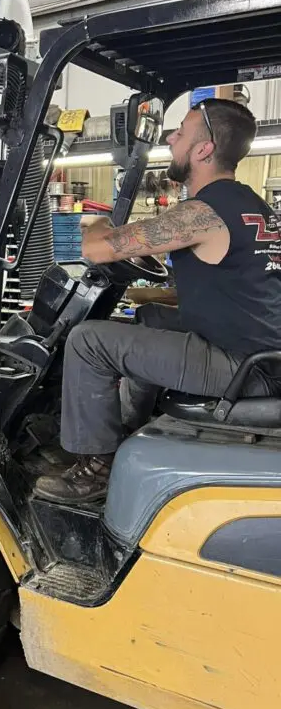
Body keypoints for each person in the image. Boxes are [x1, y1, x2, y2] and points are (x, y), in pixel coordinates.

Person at [35, 98, 281, 505]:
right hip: (261, 356)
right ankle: (128, 427)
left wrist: (97, 222)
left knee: (87, 341)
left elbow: (96, 249)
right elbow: (226, 284)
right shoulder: (250, 204)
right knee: (151, 316)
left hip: (241, 367)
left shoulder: (201, 213)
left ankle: (95, 470)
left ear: (204, 150)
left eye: (180, 133)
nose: (170, 139)